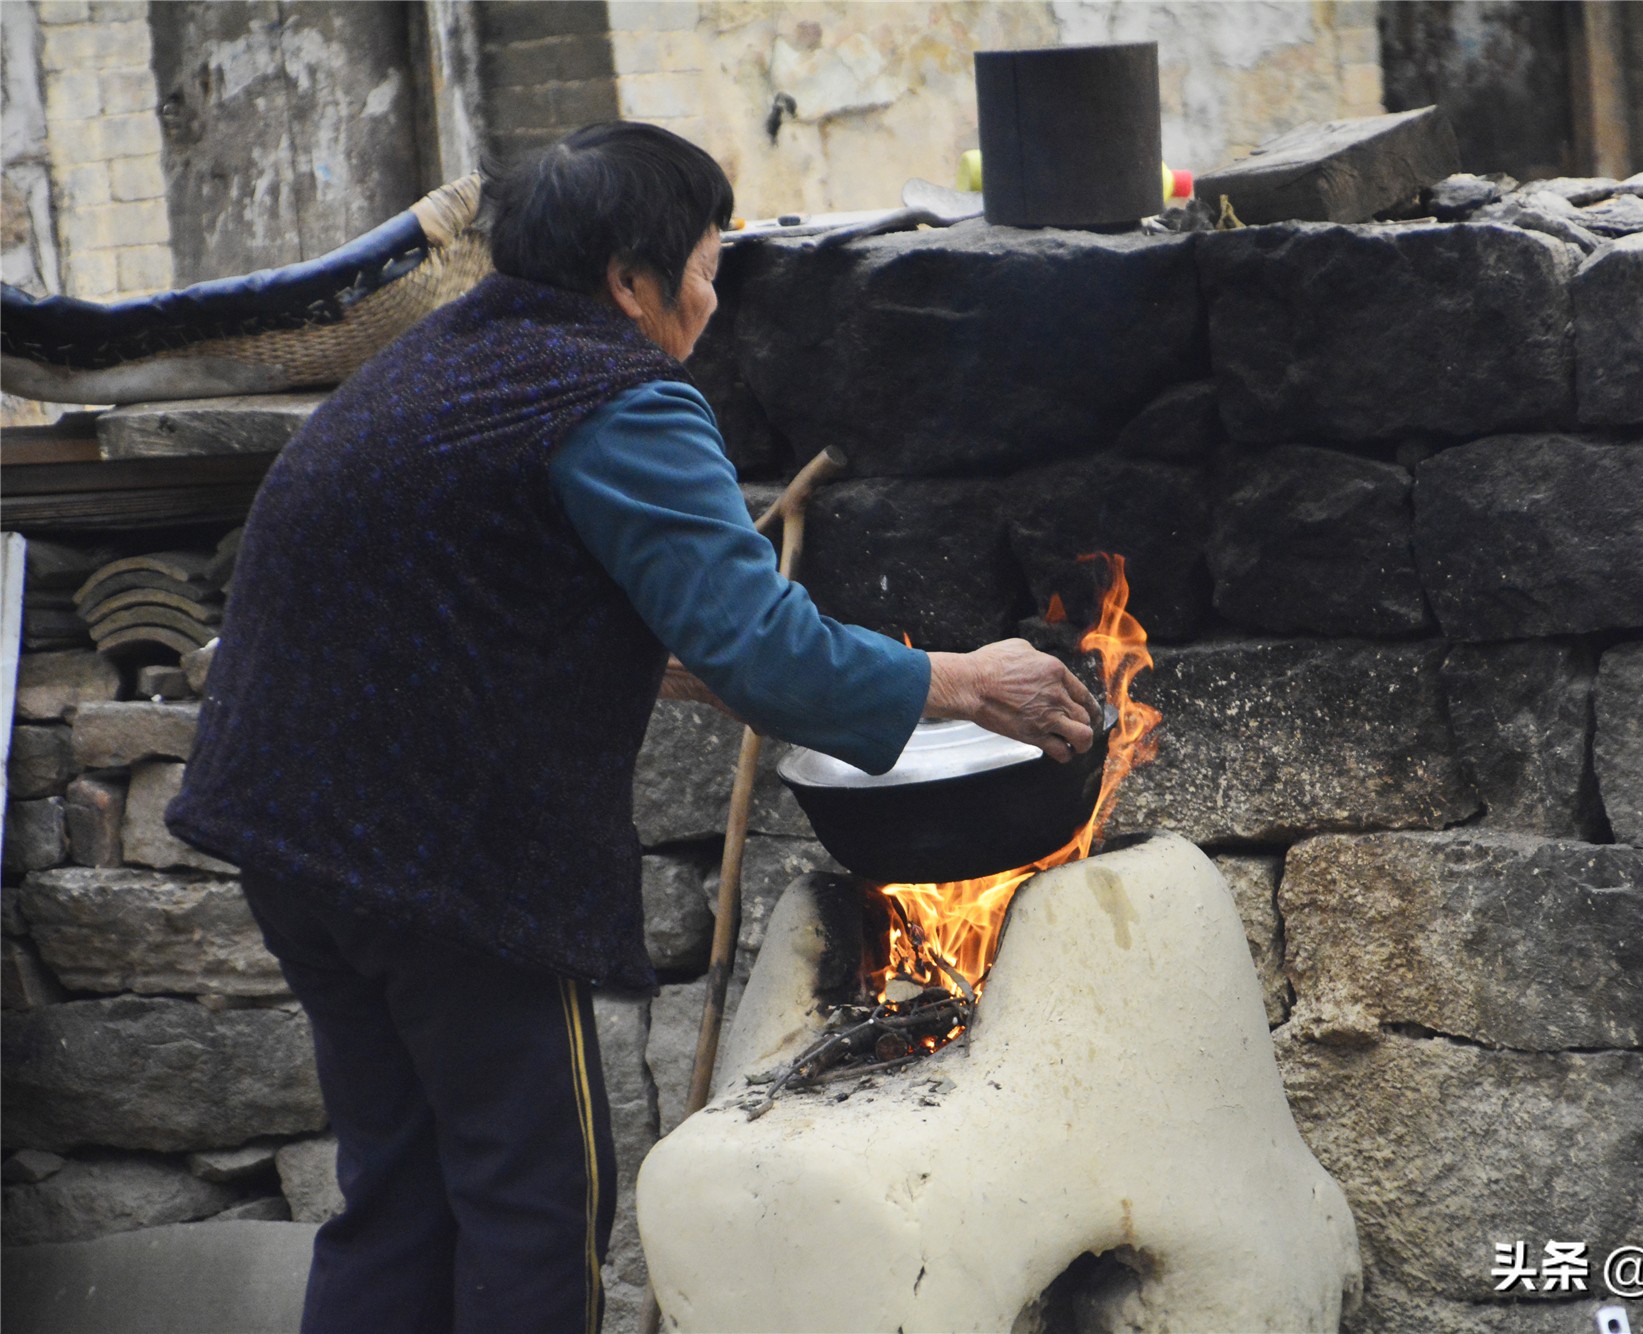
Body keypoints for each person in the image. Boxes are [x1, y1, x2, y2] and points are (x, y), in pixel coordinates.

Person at [166, 121, 1096, 1334]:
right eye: (706, 268)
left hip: (288, 828)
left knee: (399, 1192)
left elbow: (481, 594)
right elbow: (766, 651)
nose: (711, 300)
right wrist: (966, 679)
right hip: (437, 860)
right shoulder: (616, 400)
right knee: (533, 1198)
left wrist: (671, 661)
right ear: (627, 282)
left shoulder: (437, 361)